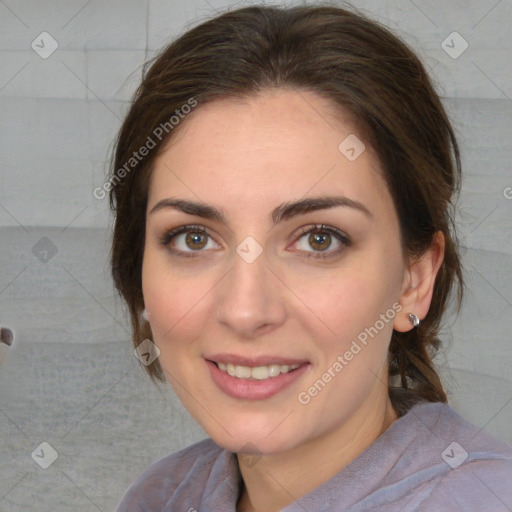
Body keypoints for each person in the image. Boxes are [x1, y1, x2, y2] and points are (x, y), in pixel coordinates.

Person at [110, 5, 512, 511]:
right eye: (193, 238)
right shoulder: (158, 497)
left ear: (415, 278)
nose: (245, 310)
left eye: (319, 239)